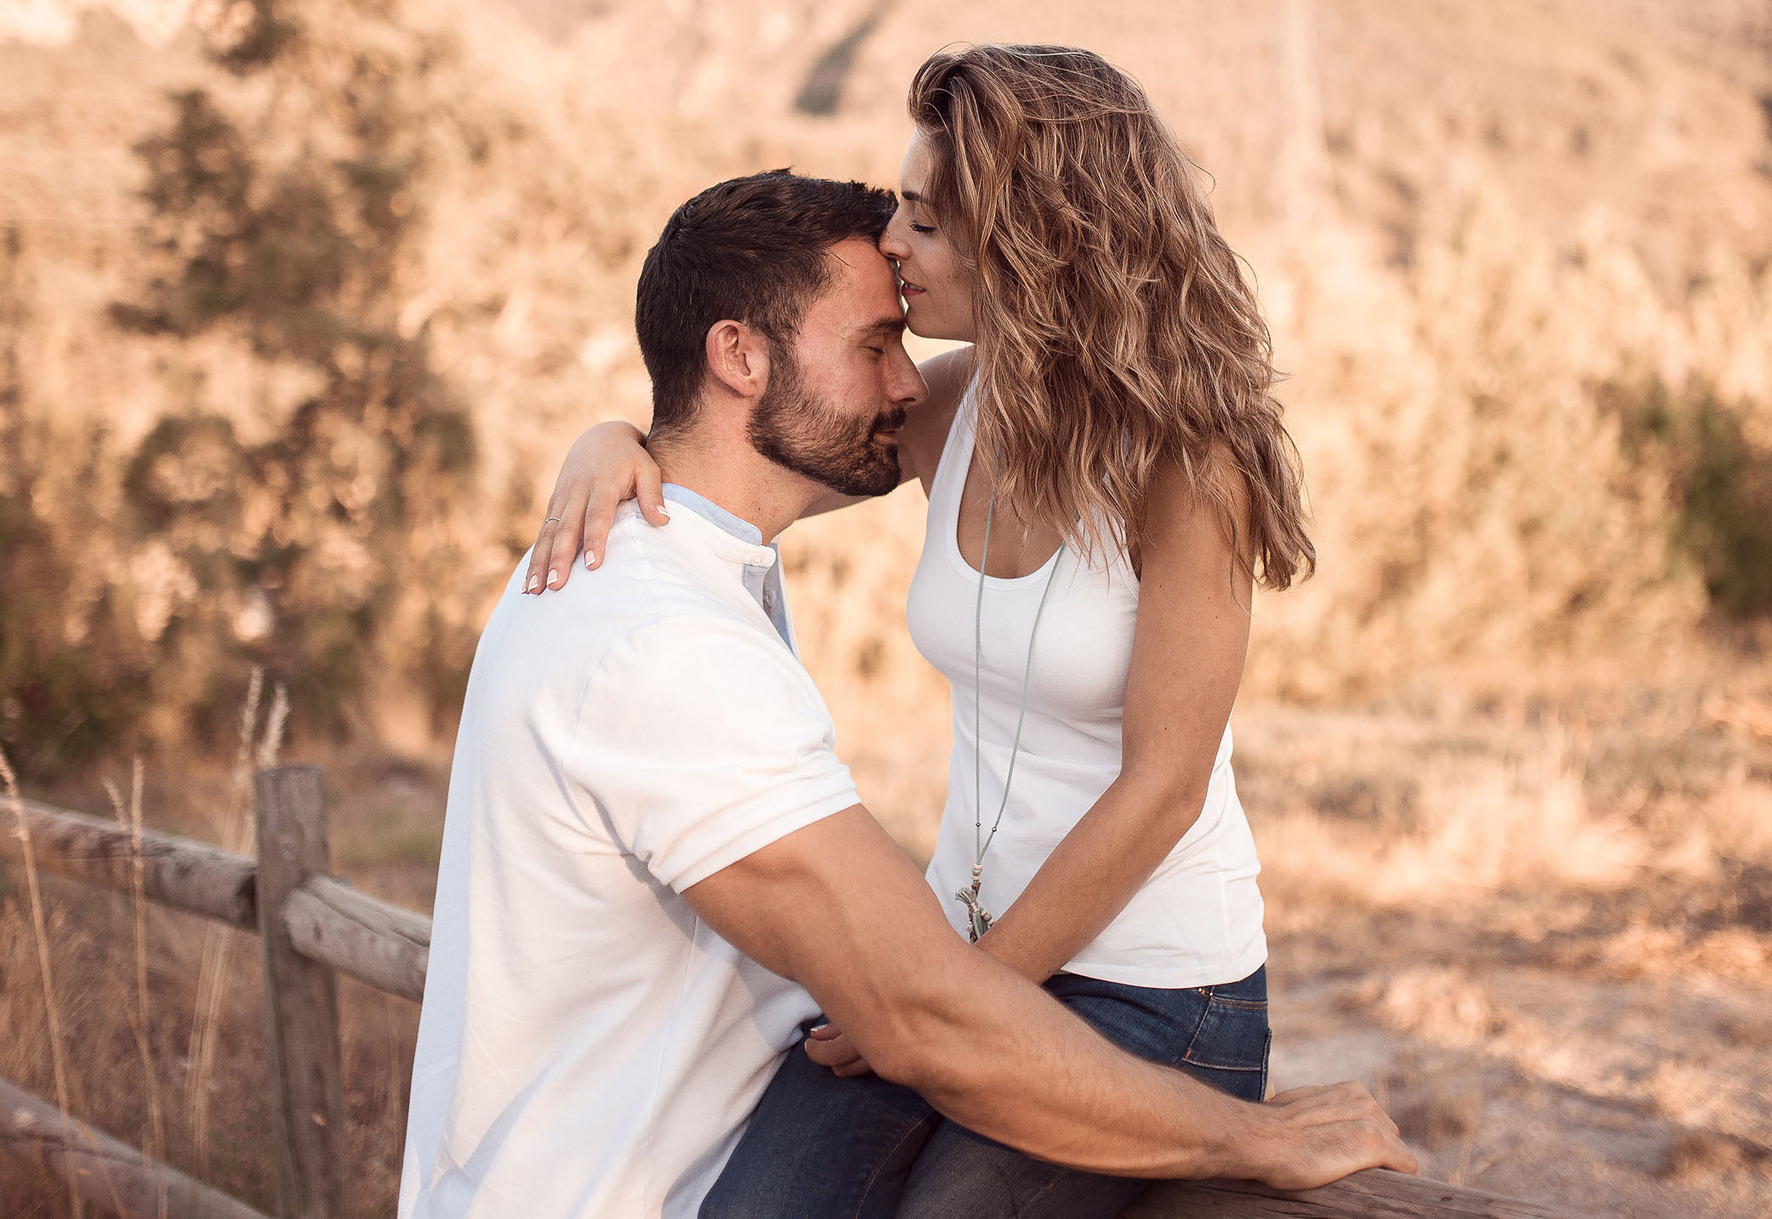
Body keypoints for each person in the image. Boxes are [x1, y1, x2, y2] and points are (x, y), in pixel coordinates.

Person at [403, 169, 1412, 1219]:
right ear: (738, 353)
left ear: (1031, 240)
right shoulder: (670, 614)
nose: (900, 381)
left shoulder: (1175, 465)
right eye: (874, 346)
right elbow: (730, 447)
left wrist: (626, 438)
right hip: (949, 969)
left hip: (1135, 976)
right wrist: (617, 437)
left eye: (924, 222)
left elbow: (1164, 786)